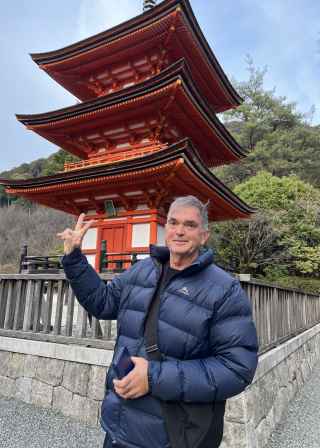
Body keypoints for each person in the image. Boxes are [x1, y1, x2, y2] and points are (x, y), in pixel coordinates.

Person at [58, 196, 258, 448]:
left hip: (173, 435)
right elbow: (103, 302)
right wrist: (74, 257)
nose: (179, 231)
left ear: (204, 235)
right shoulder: (143, 270)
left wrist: (153, 377)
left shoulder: (224, 290)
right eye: (173, 222)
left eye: (190, 225)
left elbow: (236, 368)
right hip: (121, 424)